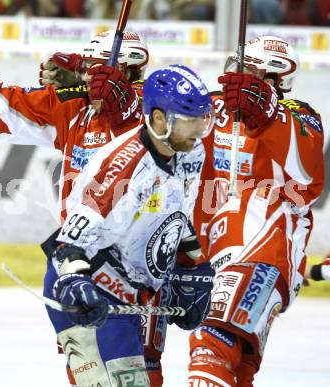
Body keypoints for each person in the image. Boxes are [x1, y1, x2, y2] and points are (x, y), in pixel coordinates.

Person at [0, 29, 150, 383]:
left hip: (127, 258)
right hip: (72, 255)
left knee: (132, 370)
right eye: (86, 68)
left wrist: (125, 103)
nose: (89, 77)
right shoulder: (75, 108)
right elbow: (9, 111)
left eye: (98, 69)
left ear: (127, 70)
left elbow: (162, 134)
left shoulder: (154, 108)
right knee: (86, 370)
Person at [43, 64, 216, 387]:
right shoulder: (124, 167)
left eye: (202, 120)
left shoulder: (191, 151)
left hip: (127, 289)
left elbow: (177, 215)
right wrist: (76, 284)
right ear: (160, 118)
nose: (198, 129)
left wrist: (194, 264)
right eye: (190, 120)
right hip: (86, 285)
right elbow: (70, 243)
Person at [189, 36, 325, 386]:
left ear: (275, 79)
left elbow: (307, 181)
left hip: (266, 251)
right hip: (217, 254)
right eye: (238, 68)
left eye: (249, 71)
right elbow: (161, 120)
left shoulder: (300, 117)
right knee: (238, 367)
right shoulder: (215, 108)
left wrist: (268, 113)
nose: (237, 77)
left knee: (212, 343)